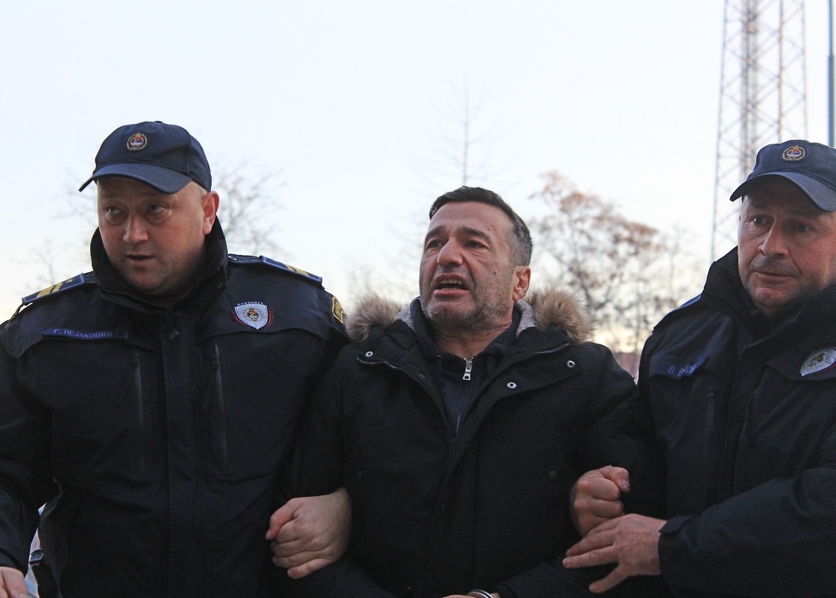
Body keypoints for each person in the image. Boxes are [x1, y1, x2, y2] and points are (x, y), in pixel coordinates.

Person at [0, 120, 349, 598]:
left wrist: (347, 504)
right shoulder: (44, 336)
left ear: (207, 210)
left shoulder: (299, 319)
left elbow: (382, 442)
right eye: (113, 211)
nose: (132, 234)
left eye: (155, 209)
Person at [272, 186, 666, 598]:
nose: (446, 256)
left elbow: (634, 543)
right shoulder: (356, 371)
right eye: (434, 243)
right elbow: (294, 541)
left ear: (520, 281)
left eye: (474, 244)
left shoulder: (588, 377)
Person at [564, 139, 836, 597]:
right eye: (758, 220)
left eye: (801, 227)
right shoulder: (680, 336)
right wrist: (594, 494)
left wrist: (675, 546)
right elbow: (639, 460)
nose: (771, 245)